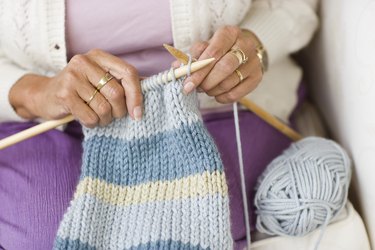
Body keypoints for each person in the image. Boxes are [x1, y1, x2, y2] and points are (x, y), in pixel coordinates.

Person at [0, 0, 318, 249]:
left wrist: (256, 43)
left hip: (216, 106)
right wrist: (33, 91)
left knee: (193, 224)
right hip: (47, 120)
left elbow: (293, 5)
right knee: (38, 236)